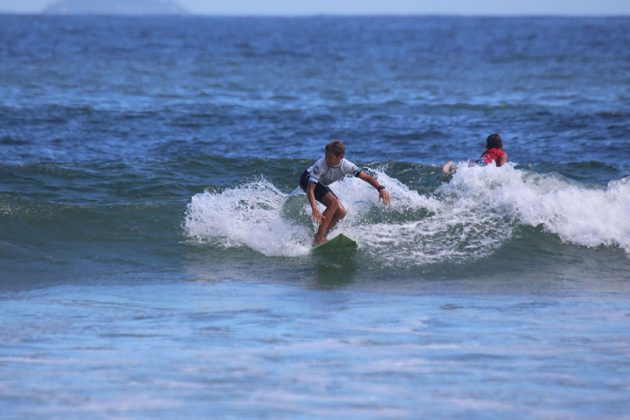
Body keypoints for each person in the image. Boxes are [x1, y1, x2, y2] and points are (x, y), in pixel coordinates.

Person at [299, 140, 391, 245]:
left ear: (340, 157)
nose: (327, 159)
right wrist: (314, 208)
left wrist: (380, 188)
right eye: (326, 156)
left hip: (321, 184)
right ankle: (319, 239)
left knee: (341, 212)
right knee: (334, 203)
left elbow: (368, 178)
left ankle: (322, 235)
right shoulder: (320, 165)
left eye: (330, 157)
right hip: (306, 180)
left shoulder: (347, 166)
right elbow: (310, 189)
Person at [442, 133, 508, 174]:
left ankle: (450, 164)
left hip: (478, 161)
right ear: (501, 144)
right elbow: (502, 168)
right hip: (485, 164)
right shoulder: (502, 154)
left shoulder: (486, 152)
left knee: (462, 167)